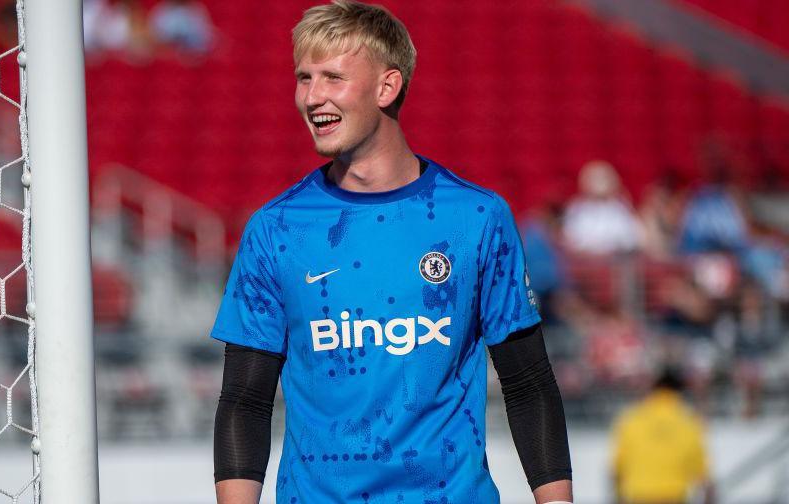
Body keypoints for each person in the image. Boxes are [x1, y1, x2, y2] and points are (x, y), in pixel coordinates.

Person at [211, 2, 572, 503]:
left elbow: (529, 382)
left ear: (387, 86)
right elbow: (244, 400)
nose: (312, 97)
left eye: (332, 77)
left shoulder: (476, 218)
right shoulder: (275, 230)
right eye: (303, 78)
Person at [611, 368, 714, 504]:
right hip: (674, 498)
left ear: (653, 390)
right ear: (678, 392)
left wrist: (618, 498)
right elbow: (704, 477)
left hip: (639, 498)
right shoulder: (689, 422)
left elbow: (617, 471)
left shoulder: (631, 419)